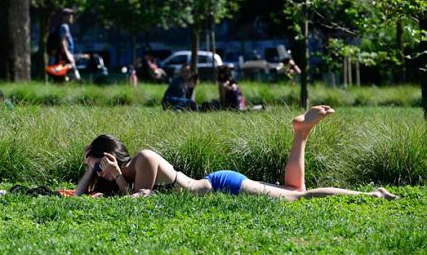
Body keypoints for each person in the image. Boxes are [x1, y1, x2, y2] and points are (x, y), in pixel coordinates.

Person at [73, 105, 396, 200]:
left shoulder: (143, 158)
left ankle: (372, 196)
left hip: (222, 183)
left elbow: (139, 198)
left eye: (97, 165)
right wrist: (93, 173)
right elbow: (78, 194)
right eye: (93, 169)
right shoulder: (111, 177)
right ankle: (301, 134)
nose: (96, 173)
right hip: (218, 184)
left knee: (299, 197)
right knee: (294, 189)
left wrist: (114, 177)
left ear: (112, 155)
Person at [56, 8, 82, 81]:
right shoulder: (64, 27)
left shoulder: (65, 27)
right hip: (67, 55)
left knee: (67, 77)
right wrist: (67, 55)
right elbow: (63, 41)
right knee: (76, 78)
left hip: (67, 55)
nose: (71, 17)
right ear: (64, 17)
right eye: (69, 16)